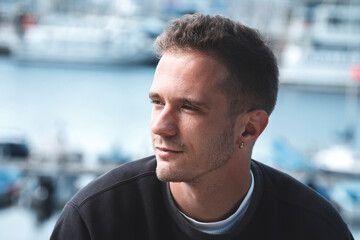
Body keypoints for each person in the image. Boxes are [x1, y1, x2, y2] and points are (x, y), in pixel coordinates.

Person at [50, 13, 353, 240]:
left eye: (188, 107)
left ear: (249, 128)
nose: (160, 126)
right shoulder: (95, 220)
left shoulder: (316, 229)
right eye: (157, 102)